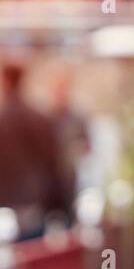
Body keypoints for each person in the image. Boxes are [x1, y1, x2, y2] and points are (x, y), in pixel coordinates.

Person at [0, 61, 66, 244]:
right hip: (33, 208)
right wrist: (60, 209)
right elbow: (54, 166)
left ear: (2, 81)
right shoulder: (41, 119)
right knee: (31, 266)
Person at [49, 74, 90, 220]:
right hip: (49, 178)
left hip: (70, 175)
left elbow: (87, 146)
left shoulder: (77, 117)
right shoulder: (47, 117)